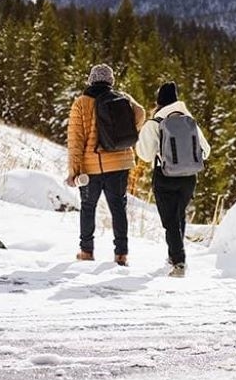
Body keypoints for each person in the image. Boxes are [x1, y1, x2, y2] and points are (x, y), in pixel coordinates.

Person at [67, 64, 144, 267]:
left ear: (91, 80)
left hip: (91, 168)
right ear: (111, 81)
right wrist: (126, 97)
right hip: (119, 164)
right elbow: (141, 113)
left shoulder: (81, 103)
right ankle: (121, 255)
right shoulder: (121, 100)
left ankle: (86, 251)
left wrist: (74, 172)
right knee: (118, 208)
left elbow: (76, 140)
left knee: (88, 207)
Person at [135, 82, 211, 278]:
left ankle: (178, 262)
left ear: (159, 101)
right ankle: (174, 256)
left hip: (165, 176)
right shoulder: (189, 120)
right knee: (178, 216)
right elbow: (206, 150)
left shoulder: (155, 123)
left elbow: (144, 154)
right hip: (189, 177)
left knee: (169, 221)